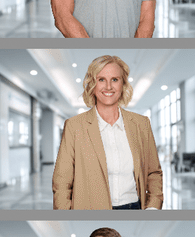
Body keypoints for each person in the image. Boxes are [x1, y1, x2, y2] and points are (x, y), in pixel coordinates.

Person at [53, 55, 163, 210]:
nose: (109, 86)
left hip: (134, 208)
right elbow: (62, 181)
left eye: (115, 80)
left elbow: (153, 172)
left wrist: (153, 208)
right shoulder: (74, 126)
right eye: (101, 79)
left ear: (123, 84)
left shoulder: (141, 124)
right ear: (92, 84)